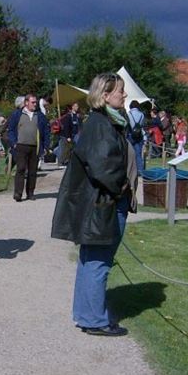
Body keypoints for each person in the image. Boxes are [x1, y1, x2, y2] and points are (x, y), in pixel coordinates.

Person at [50, 72, 138, 337]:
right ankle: (95, 320)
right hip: (103, 204)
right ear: (106, 95)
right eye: (120, 91)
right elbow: (103, 166)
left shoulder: (105, 122)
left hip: (100, 203)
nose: (124, 95)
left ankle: (87, 313)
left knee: (91, 260)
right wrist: (122, 186)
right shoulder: (101, 123)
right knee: (98, 261)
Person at [6, 92, 50, 201]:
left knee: (32, 171)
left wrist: (45, 146)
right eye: (33, 102)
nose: (35, 104)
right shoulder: (17, 114)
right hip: (20, 146)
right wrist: (14, 143)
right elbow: (10, 130)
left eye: (35, 102)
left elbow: (46, 131)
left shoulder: (40, 116)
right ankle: (18, 193)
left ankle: (30, 193)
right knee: (20, 169)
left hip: (35, 147)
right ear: (26, 103)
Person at [126, 100, 147, 171]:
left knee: (129, 154)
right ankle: (140, 170)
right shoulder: (142, 114)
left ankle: (131, 170)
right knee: (138, 154)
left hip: (130, 135)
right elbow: (142, 126)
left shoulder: (128, 114)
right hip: (139, 135)